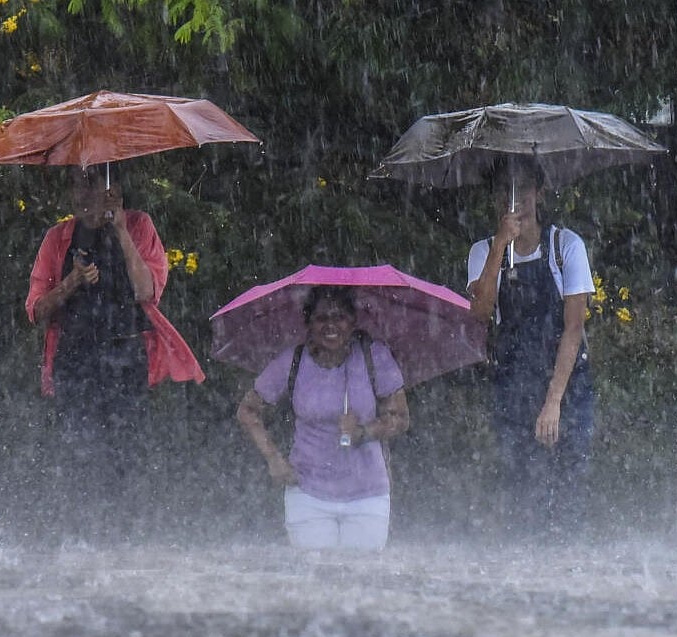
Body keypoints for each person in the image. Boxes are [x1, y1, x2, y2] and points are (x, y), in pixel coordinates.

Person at [25, 165, 203, 539]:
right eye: (76, 184)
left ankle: (122, 536)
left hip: (125, 357)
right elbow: (37, 310)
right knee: (79, 453)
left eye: (90, 183)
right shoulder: (58, 238)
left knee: (125, 453)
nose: (82, 194)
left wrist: (120, 229)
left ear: (113, 188)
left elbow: (146, 292)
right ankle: (80, 535)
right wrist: (72, 282)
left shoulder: (139, 226)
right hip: (74, 359)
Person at [466, 158, 595, 540]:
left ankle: (567, 561)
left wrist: (554, 400)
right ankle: (525, 566)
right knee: (522, 482)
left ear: (539, 193)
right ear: (494, 198)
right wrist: (500, 246)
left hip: (568, 383)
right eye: (505, 188)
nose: (515, 198)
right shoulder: (483, 251)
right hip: (513, 381)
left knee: (569, 482)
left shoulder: (565, 245)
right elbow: (480, 312)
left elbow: (573, 329)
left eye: (523, 188)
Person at [236, 286, 410, 550]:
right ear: (308, 323)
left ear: (353, 322)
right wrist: (274, 459)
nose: (331, 325)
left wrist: (363, 432)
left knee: (363, 583)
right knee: (314, 582)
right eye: (321, 318)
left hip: (368, 493)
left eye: (339, 317)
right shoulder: (292, 361)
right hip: (307, 491)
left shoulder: (374, 356)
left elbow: (400, 417)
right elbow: (247, 411)